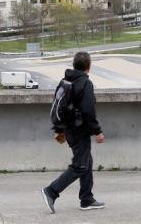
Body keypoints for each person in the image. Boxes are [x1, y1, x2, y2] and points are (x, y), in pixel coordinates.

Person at [41, 52, 105, 213]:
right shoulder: (85, 83)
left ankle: (86, 199)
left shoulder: (66, 80)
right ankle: (51, 191)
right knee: (80, 165)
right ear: (89, 66)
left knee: (86, 162)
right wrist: (98, 131)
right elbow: (88, 110)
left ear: (75, 64)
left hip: (68, 129)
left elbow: (60, 104)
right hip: (79, 131)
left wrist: (59, 129)